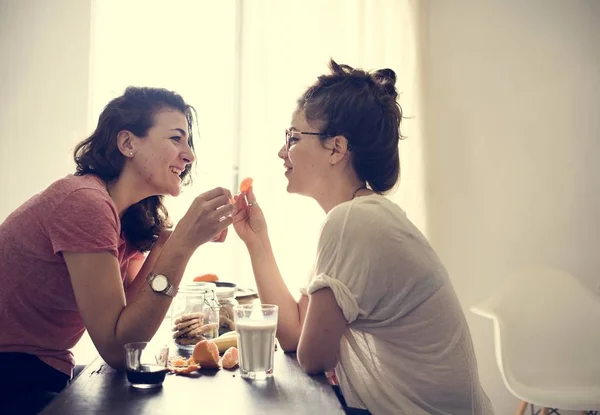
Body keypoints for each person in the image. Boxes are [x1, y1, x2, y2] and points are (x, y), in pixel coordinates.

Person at [232, 60, 494, 414]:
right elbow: (294, 333)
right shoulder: (359, 215)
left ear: (336, 149)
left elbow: (312, 357)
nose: (283, 152)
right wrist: (256, 240)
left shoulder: (353, 221)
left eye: (293, 138)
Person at [0, 86, 235, 414]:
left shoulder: (128, 216)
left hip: (43, 370)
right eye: (175, 139)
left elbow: (130, 320)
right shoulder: (85, 202)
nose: (189, 155)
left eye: (188, 141)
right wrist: (182, 244)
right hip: (12, 373)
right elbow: (119, 348)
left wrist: (168, 242)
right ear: (127, 143)